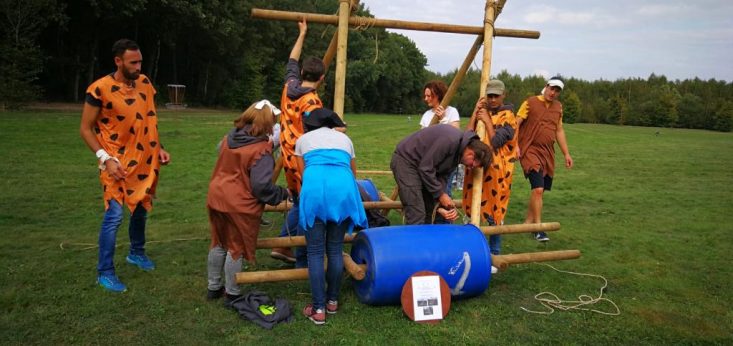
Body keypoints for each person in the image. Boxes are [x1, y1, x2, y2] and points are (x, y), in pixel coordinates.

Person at [79, 39, 171, 293]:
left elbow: (149, 120)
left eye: (140, 61)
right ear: (118, 61)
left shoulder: (145, 84)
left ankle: (136, 253)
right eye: (133, 62)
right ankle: (104, 272)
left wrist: (159, 147)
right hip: (115, 165)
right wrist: (105, 158)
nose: (139, 66)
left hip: (144, 161)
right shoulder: (99, 89)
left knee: (141, 209)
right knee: (114, 216)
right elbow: (85, 129)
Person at [206, 100, 290, 304]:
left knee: (218, 242)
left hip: (217, 196)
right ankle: (232, 292)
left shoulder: (229, 138)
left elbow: (222, 152)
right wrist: (283, 193)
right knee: (236, 247)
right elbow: (261, 187)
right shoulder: (261, 150)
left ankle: (213, 287)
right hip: (239, 203)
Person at [295, 108, 368, 325]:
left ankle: (318, 308)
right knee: (335, 248)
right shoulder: (345, 140)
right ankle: (332, 302)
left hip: (315, 190)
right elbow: (353, 172)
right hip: (343, 191)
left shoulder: (303, 140)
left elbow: (302, 173)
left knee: (315, 252)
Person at [270, 18, 325, 265]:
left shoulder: (289, 87)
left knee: (298, 200)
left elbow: (292, 60)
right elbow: (316, 135)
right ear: (322, 78)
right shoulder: (312, 103)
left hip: (287, 155)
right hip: (304, 160)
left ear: (302, 73)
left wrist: (302, 34)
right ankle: (304, 256)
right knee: (309, 205)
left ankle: (283, 245)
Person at [391, 124, 492, 225]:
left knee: (429, 211)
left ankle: (424, 239)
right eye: (471, 165)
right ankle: (413, 240)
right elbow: (426, 168)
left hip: (420, 167)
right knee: (416, 213)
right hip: (406, 161)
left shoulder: (459, 152)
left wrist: (443, 205)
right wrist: (441, 194)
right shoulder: (450, 140)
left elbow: (442, 177)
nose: (469, 167)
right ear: (471, 154)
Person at [462, 79, 518, 256]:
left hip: (497, 173)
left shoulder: (509, 118)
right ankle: (472, 249)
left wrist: (487, 120)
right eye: (490, 96)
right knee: (473, 208)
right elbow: (467, 134)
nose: (492, 99)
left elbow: (496, 142)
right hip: (476, 169)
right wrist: (475, 112)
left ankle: (494, 252)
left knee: (495, 212)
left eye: (496, 96)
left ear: (503, 96)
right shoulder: (482, 112)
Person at [517, 76, 574, 242]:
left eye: (557, 91)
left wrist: (566, 154)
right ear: (546, 87)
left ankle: (528, 222)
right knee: (538, 189)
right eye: (552, 88)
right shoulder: (530, 102)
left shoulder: (558, 108)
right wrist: (515, 145)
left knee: (537, 190)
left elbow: (559, 131)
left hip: (547, 153)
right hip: (529, 149)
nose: (553, 92)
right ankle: (538, 228)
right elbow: (517, 123)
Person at [419, 80, 463, 197]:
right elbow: (422, 139)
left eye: (429, 96)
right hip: (430, 160)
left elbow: (456, 136)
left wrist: (443, 119)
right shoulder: (426, 115)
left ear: (437, 95)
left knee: (444, 191)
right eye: (425, 96)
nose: (426, 99)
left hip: (447, 160)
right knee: (429, 191)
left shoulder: (452, 112)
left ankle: (445, 214)